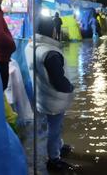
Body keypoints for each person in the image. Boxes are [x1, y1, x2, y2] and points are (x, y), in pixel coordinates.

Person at [25, 27, 76, 171]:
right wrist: (71, 88)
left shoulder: (30, 46)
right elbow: (59, 82)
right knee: (55, 128)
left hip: (41, 94)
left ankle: (58, 146)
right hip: (53, 99)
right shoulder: (50, 53)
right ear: (52, 31)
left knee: (50, 125)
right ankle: (54, 158)